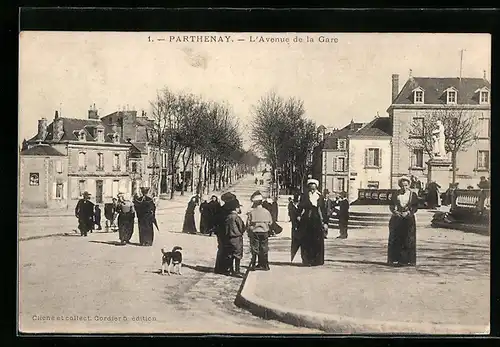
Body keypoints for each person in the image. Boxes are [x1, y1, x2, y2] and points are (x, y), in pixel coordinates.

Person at [296, 178, 329, 266]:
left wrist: (325, 222)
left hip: (317, 220)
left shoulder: (320, 197)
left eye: (314, 186)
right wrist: (298, 215)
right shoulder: (304, 196)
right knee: (306, 240)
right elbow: (300, 207)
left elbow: (323, 210)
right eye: (310, 186)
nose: (312, 188)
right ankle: (307, 260)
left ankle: (317, 260)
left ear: (316, 187)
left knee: (317, 241)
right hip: (307, 219)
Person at [387, 176, 419, 267]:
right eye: (402, 185)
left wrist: (409, 212)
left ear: (408, 185)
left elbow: (415, 206)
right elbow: (391, 205)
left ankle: (408, 260)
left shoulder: (413, 195)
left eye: (405, 185)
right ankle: (395, 259)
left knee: (409, 239)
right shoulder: (396, 194)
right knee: (396, 238)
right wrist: (395, 212)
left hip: (409, 219)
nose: (403, 187)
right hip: (397, 218)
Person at [246, 191, 273, 271]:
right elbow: (270, 222)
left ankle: (253, 265)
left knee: (255, 249)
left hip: (255, 232)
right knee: (264, 248)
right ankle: (265, 265)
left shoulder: (251, 212)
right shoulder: (266, 211)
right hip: (264, 232)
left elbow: (248, 223)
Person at [213, 192, 237, 275]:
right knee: (229, 250)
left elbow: (215, 220)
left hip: (220, 232)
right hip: (228, 233)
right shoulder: (230, 210)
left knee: (221, 249)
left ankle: (219, 268)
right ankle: (227, 268)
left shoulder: (221, 209)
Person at [224, 198, 245, 278]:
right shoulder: (236, 217)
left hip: (228, 237)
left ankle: (230, 270)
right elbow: (242, 227)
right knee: (237, 254)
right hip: (236, 237)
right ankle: (237, 271)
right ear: (236, 208)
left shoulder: (228, 217)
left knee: (230, 254)